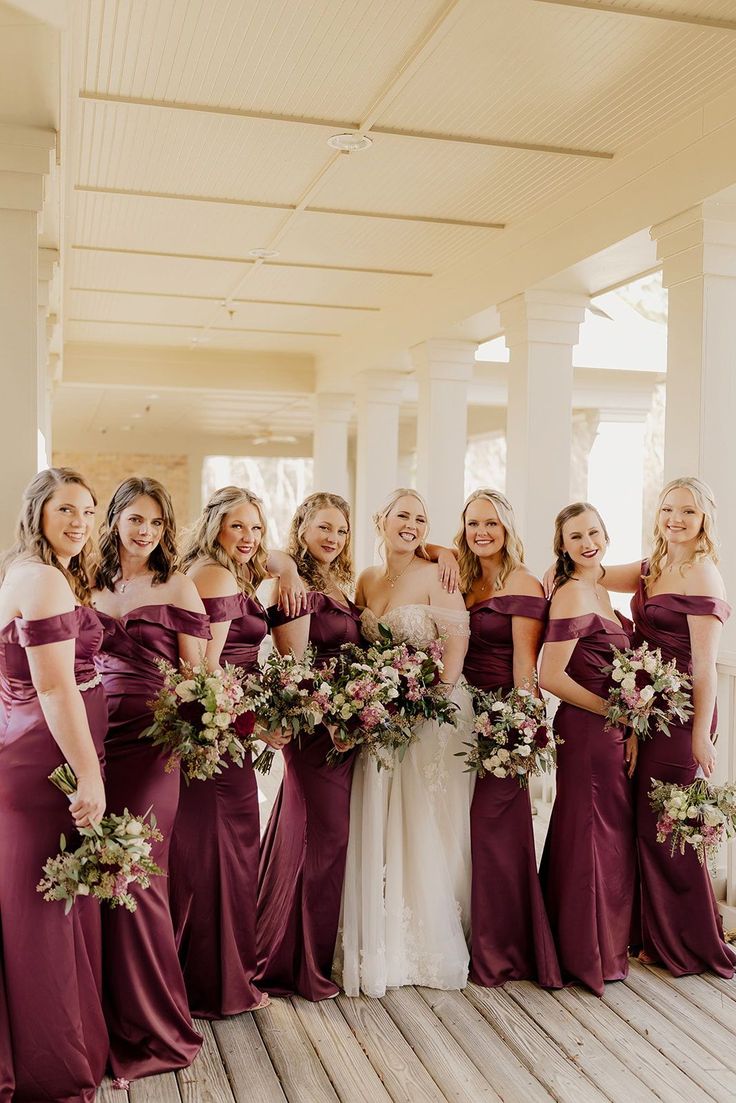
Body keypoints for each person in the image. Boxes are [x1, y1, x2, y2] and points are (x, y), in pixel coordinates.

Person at [590, 477, 735, 977]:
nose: (676, 518)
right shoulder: (654, 567)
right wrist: (559, 566)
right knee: (643, 823)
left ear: (703, 521)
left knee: (667, 825)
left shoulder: (702, 574)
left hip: (682, 717)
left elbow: (705, 666)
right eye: (669, 509)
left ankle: (691, 940)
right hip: (647, 710)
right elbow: (600, 571)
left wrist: (699, 735)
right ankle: (654, 934)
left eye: (688, 512)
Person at [169, 485, 303, 1018]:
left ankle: (219, 974)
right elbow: (207, 672)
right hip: (219, 734)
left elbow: (270, 554)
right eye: (237, 527)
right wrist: (260, 725)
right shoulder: (216, 576)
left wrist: (287, 566)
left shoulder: (226, 567)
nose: (248, 538)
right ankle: (212, 983)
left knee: (229, 852)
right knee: (220, 855)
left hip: (230, 732)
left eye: (255, 527)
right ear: (215, 528)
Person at [335, 489, 474, 998]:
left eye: (421, 518)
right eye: (402, 516)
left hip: (432, 714)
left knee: (422, 821)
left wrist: (421, 705)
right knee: (380, 814)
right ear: (381, 520)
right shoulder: (368, 579)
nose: (411, 525)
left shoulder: (440, 573)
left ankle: (424, 940)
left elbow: (456, 649)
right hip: (382, 714)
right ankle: (381, 935)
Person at [93, 477, 207, 1079]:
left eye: (157, 523)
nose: (146, 532)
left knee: (136, 871)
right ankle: (101, 1015)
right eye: (136, 519)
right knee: (96, 871)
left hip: (155, 743)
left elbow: (198, 675)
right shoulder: (86, 581)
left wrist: (190, 720)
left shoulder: (178, 584)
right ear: (114, 519)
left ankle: (154, 1025)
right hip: (92, 740)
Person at [0, 467, 108, 1102]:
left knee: (38, 900)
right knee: (44, 905)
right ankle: (46, 1064)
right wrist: (89, 774)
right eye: (66, 509)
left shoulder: (27, 572)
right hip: (49, 761)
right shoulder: (41, 579)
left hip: (29, 749)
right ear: (38, 511)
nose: (80, 521)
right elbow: (52, 686)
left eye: (89, 512)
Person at [256, 492, 362, 1001]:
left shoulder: (339, 584)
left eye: (341, 531)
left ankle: (304, 950)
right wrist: (332, 718)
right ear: (302, 528)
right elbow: (295, 670)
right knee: (322, 839)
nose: (333, 538)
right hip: (316, 730)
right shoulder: (292, 585)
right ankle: (294, 964)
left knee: (313, 836)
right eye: (323, 527)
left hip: (345, 729)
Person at [458, 489, 561, 988]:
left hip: (502, 716)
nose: (482, 532)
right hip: (457, 713)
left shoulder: (520, 580)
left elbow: (527, 663)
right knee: (463, 830)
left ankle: (505, 950)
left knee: (496, 830)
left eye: (491, 524)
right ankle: (466, 936)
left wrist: (522, 728)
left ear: (507, 528)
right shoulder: (462, 575)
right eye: (474, 523)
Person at [539, 502, 637, 996]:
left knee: (605, 833)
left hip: (611, 729)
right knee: (588, 833)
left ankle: (601, 945)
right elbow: (549, 675)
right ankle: (583, 952)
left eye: (593, 532)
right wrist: (613, 713)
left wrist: (631, 723)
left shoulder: (600, 587)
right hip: (585, 729)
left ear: (606, 535)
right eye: (575, 536)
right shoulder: (574, 592)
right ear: (562, 546)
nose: (586, 542)